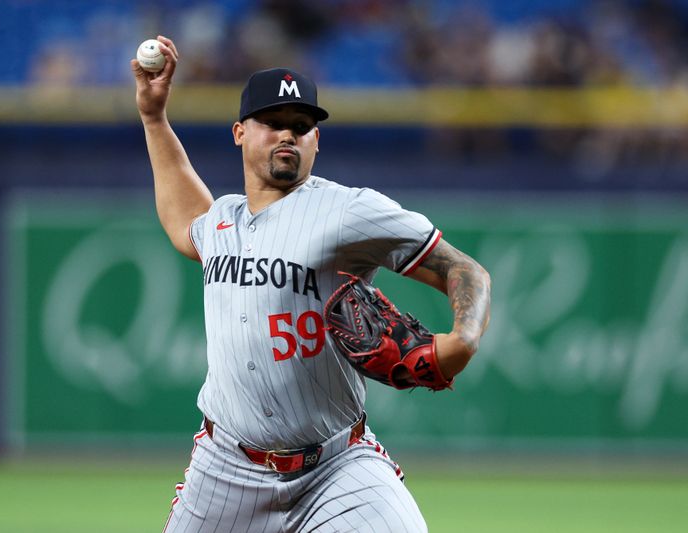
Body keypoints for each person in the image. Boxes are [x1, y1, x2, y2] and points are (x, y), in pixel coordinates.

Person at [132, 36, 491, 533]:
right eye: (273, 123)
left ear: (316, 141)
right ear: (239, 132)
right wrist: (154, 119)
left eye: (301, 127)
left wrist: (464, 337)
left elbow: (464, 269)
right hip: (225, 468)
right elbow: (183, 219)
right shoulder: (223, 221)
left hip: (336, 467)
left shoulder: (348, 211)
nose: (288, 135)